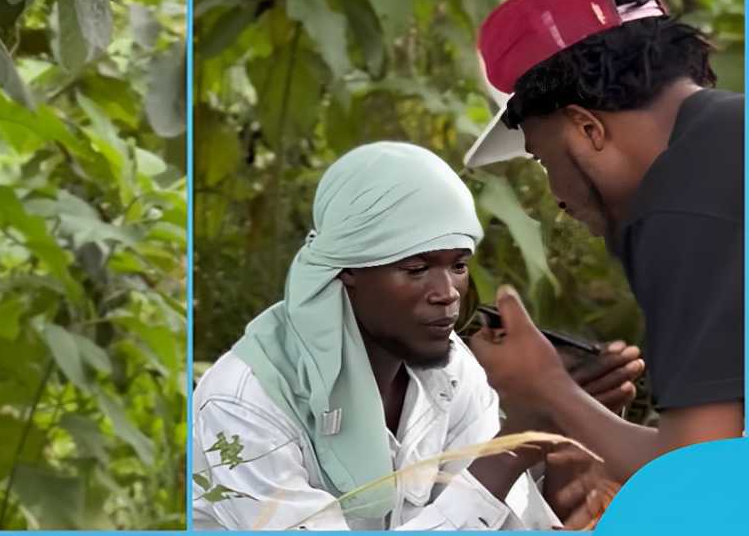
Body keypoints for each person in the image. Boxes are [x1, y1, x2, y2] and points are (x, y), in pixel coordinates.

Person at [192, 142, 641, 530]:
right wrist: (515, 444)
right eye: (417, 268)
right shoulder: (244, 403)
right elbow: (486, 483)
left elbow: (501, 518)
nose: (447, 294)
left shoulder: (452, 372)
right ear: (347, 269)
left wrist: (566, 446)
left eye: (458, 266)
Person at [464, 0, 744, 482]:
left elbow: (697, 481)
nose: (558, 199)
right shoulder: (727, 138)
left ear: (587, 128)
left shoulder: (680, 203)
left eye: (545, 160)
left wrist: (546, 389)